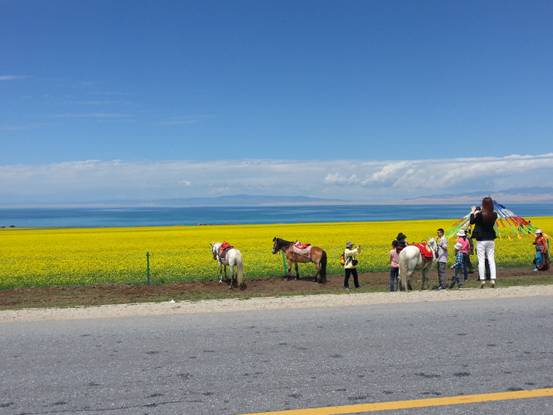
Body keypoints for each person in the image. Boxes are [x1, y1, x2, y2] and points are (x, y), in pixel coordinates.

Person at [470, 197, 498, 288]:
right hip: (491, 239)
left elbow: (472, 222)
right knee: (491, 259)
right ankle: (493, 279)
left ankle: (482, 280)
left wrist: (473, 212)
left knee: (481, 260)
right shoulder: (494, 215)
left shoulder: (480, 215)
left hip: (481, 240)